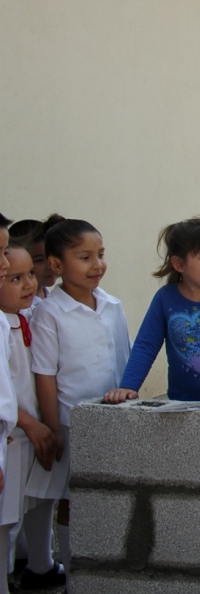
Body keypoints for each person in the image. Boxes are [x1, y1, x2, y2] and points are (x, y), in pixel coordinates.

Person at [29, 219, 131, 585]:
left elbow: (125, 360)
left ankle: (110, 571)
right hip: (73, 423)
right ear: (56, 265)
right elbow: (45, 374)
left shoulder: (112, 305)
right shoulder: (49, 313)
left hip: (113, 420)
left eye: (100, 255)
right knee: (74, 499)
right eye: (84, 257)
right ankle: (75, 577)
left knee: (110, 495)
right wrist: (54, 428)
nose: (97, 265)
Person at [103, 219, 200, 405]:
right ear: (179, 264)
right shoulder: (164, 299)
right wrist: (128, 386)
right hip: (181, 407)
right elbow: (145, 346)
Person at [0, 241, 63, 591]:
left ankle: (41, 566)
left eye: (29, 275)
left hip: (36, 434)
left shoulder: (32, 316)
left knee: (41, 501)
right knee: (5, 522)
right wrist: (30, 424)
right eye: (14, 278)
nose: (28, 284)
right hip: (14, 437)